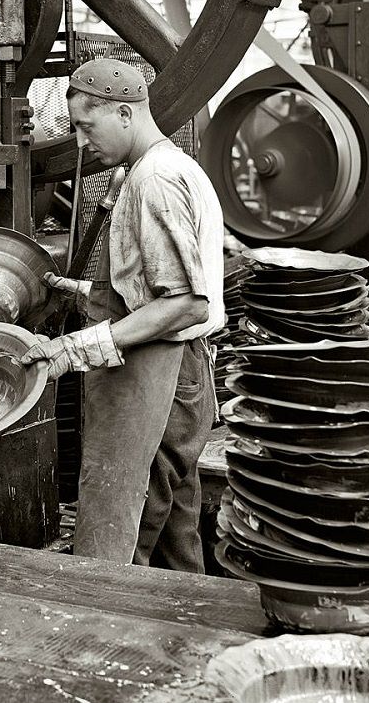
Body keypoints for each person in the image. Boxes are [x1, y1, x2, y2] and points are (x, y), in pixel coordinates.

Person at [21, 58, 225, 572]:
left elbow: (184, 302)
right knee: (176, 527)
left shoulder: (152, 181)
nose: (83, 143)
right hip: (185, 372)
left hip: (162, 375)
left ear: (126, 113)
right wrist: (88, 292)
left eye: (88, 126)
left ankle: (105, 638)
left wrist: (73, 348)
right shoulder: (176, 167)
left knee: (126, 532)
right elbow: (153, 284)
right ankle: (185, 632)